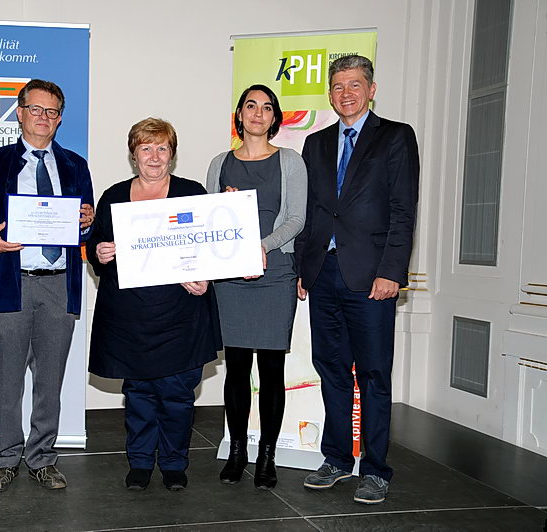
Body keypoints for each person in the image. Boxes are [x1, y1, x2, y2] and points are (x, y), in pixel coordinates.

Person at [0, 79, 95, 493]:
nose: (43, 117)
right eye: (35, 109)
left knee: (49, 382)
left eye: (52, 111)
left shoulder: (75, 165)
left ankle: (42, 458)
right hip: (9, 283)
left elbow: (85, 227)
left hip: (58, 285)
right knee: (8, 382)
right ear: (19, 113)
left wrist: (87, 224)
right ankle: (4, 458)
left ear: (60, 118)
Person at [295, 55, 419, 504]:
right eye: (338, 86)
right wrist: (304, 268)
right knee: (330, 368)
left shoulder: (396, 137)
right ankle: (336, 458)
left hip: (371, 278)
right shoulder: (315, 143)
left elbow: (404, 210)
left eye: (354, 84)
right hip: (323, 273)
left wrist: (391, 272)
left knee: (373, 373)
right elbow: (311, 212)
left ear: (371, 89)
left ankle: (376, 469)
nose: (345, 93)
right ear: (330, 95)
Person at [87, 118, 221, 491]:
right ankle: (141, 462)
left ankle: (175, 464)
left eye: (162, 148)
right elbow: (96, 245)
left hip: (180, 315)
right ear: (134, 154)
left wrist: (205, 277)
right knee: (139, 396)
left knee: (178, 396)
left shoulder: (192, 193)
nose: (155, 156)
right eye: (146, 148)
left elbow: (212, 247)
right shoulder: (114, 196)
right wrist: (99, 252)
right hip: (130, 317)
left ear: (172, 154)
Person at [206, 84, 307, 489]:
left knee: (271, 369)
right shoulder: (220, 163)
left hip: (275, 273)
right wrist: (224, 207)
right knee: (235, 369)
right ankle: (237, 451)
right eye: (251, 105)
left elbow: (296, 218)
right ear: (240, 114)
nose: (258, 113)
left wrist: (260, 246)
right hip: (231, 279)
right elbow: (209, 220)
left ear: (275, 118)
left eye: (266, 107)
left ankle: (267, 455)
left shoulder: (290, 161)